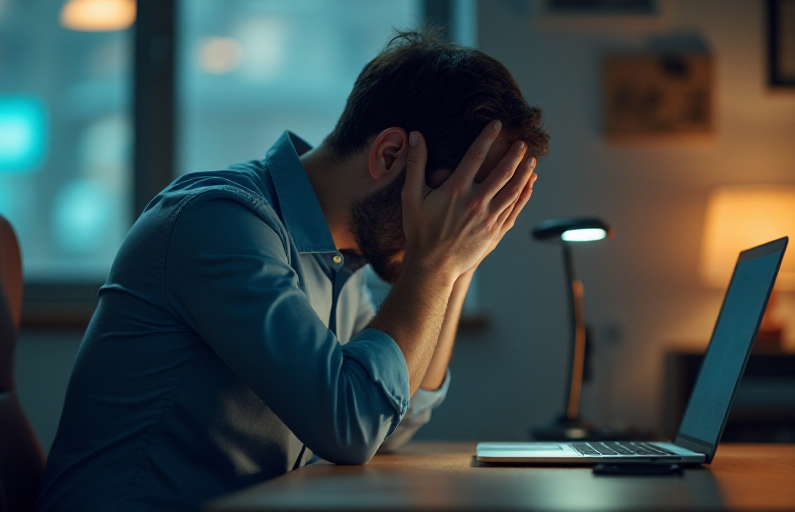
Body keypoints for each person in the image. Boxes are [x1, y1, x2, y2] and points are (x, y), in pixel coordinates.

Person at [36, 29, 549, 511]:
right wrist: (434, 266)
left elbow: (393, 420)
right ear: (391, 155)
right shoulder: (220, 223)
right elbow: (353, 424)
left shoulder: (337, 259)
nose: (461, 223)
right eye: (458, 202)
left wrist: (459, 264)